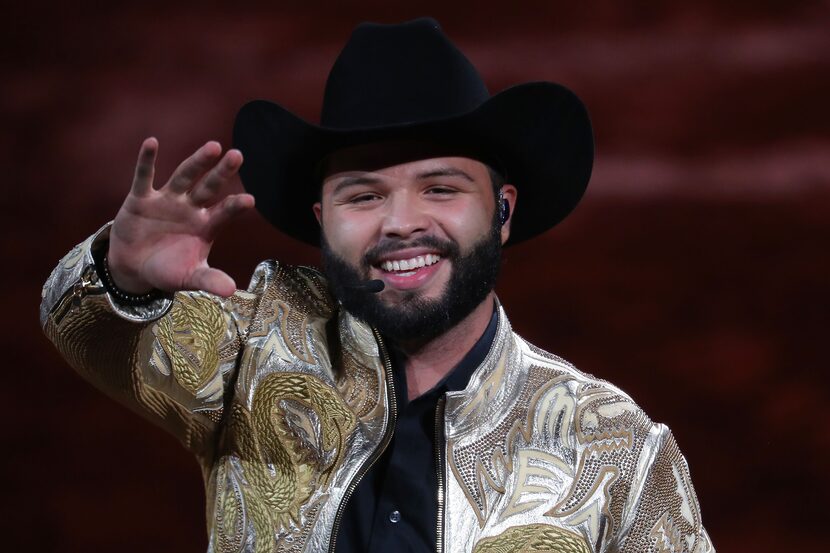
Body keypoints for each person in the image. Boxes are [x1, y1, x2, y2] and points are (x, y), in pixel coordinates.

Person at [40, 18, 713, 553]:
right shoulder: (253, 346)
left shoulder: (614, 444)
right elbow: (89, 336)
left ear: (503, 211)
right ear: (321, 221)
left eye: (440, 188)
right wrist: (122, 277)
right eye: (362, 196)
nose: (400, 224)